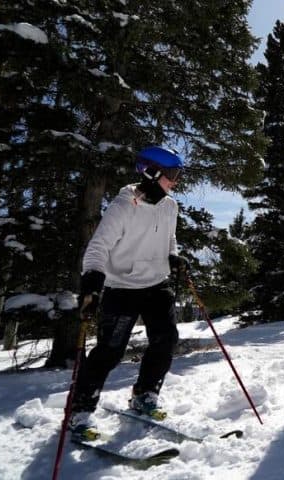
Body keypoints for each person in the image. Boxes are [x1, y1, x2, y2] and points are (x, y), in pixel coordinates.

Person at [69, 146, 190, 440]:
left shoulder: (170, 205)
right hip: (121, 287)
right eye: (173, 174)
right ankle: (79, 411)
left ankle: (144, 395)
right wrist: (93, 283)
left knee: (166, 340)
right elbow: (97, 249)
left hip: (156, 285)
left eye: (179, 174)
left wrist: (172, 256)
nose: (176, 181)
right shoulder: (123, 206)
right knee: (109, 352)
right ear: (151, 172)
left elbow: (168, 238)